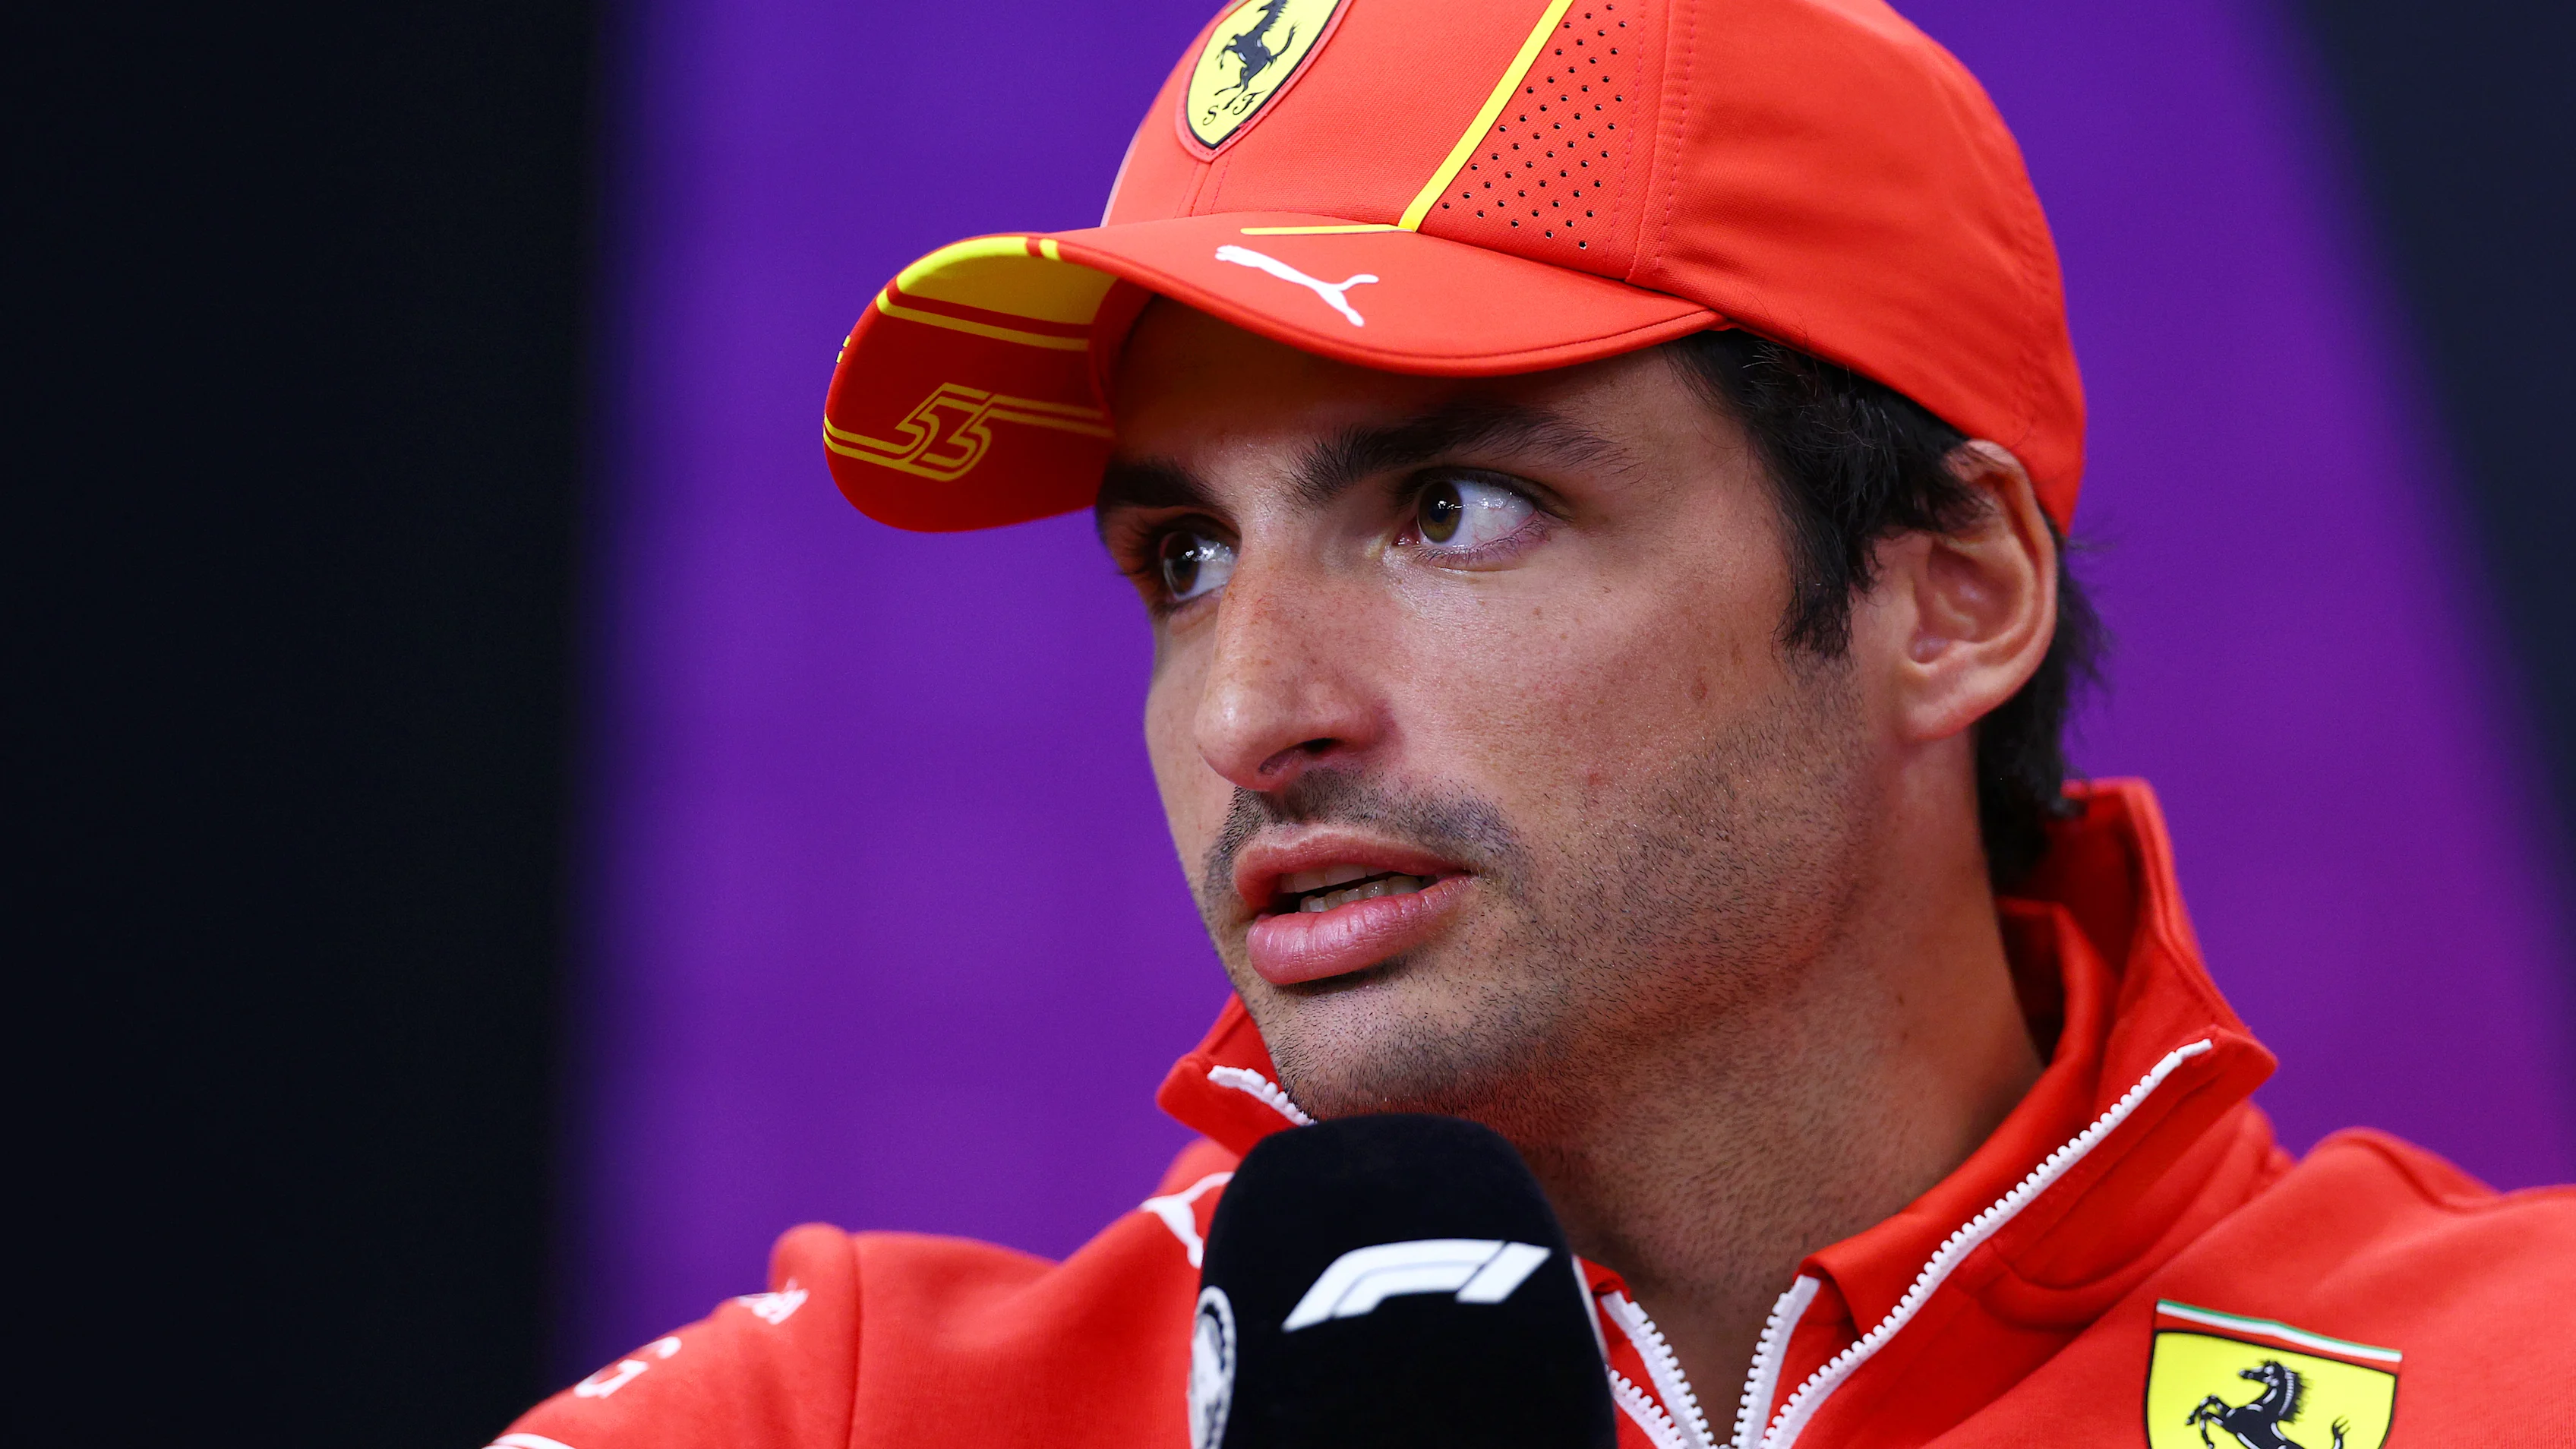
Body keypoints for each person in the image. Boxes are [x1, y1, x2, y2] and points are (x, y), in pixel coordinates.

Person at [497, 1, 2573, 1444]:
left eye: (1451, 509)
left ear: (1953, 591)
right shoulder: (848, 1413)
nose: (1250, 714)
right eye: (1184, 557)